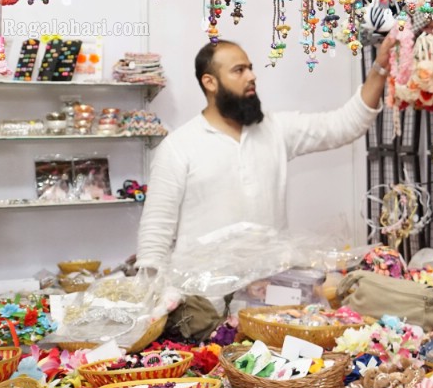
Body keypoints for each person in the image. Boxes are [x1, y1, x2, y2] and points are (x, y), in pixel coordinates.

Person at [136, 37, 394, 269]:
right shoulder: (178, 147)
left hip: (268, 295)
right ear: (210, 82)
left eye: (250, 68)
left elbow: (344, 125)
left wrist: (380, 68)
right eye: (239, 70)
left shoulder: (275, 130)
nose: (251, 76)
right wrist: (155, 303)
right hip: (202, 304)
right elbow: (155, 236)